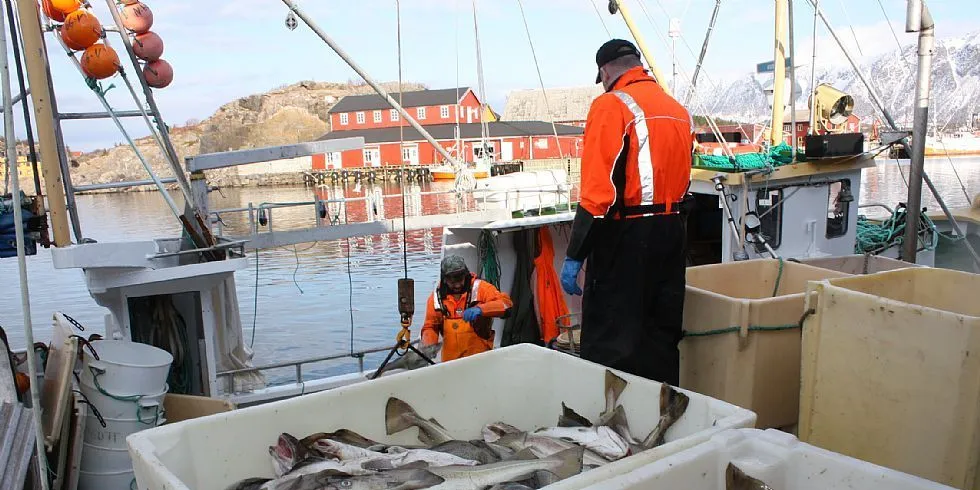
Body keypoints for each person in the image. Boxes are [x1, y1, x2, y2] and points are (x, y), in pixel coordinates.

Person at [560, 39, 693, 385]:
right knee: (661, 337)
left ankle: (609, 426)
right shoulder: (678, 110)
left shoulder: (611, 105)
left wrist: (575, 254)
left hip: (628, 237)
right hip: (673, 232)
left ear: (605, 72)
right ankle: (662, 416)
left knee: (610, 340)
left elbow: (597, 193)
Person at [422, 255, 513, 362]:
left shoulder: (481, 288)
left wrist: (481, 309)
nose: (457, 285)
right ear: (445, 280)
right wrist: (429, 345)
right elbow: (430, 326)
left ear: (466, 275)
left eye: (460, 280)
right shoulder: (436, 299)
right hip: (451, 363)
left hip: (480, 359)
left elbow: (506, 305)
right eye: (453, 282)